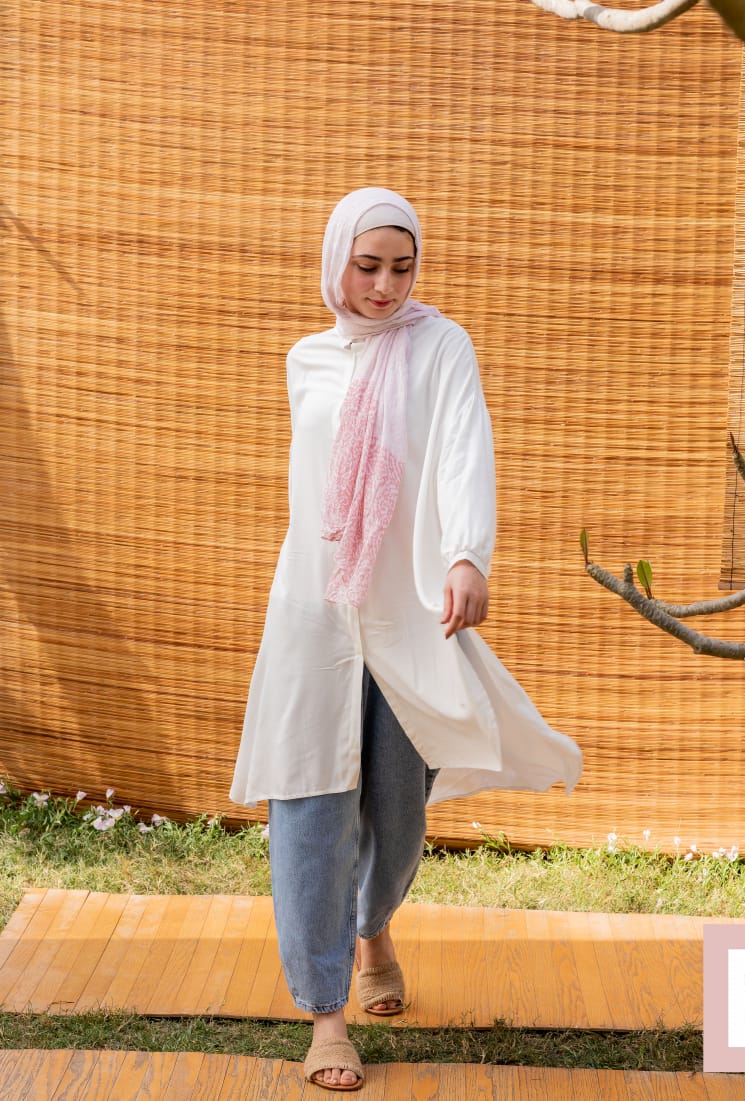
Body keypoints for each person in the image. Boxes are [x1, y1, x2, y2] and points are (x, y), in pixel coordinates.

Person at [230, 187, 582, 1091]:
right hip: (314, 610)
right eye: (366, 266)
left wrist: (466, 554)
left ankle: (373, 925)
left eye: (401, 266)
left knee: (397, 805)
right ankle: (326, 1016)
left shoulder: (441, 345)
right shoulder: (306, 359)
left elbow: (464, 449)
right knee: (308, 804)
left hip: (407, 608)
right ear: (335, 262)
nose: (385, 286)